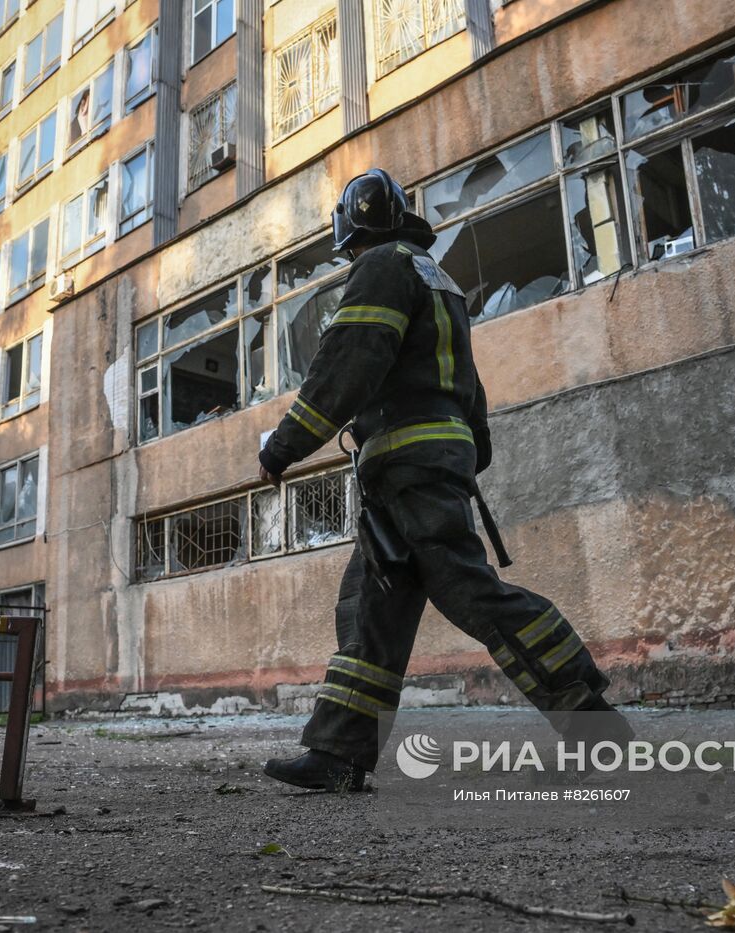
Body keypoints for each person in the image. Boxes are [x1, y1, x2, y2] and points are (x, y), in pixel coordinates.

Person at [259, 169, 632, 791]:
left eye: (348, 246)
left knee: (469, 591)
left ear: (352, 233)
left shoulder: (381, 265)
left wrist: (283, 446)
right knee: (372, 606)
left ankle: (594, 724)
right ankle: (338, 752)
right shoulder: (437, 277)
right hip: (423, 461)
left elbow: (348, 362)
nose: (351, 256)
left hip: (408, 461)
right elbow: (466, 378)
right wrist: (465, 452)